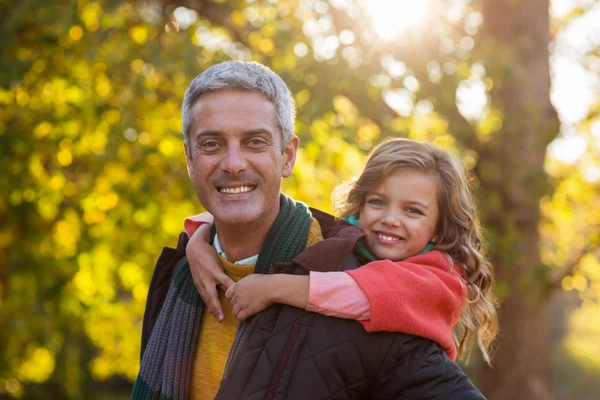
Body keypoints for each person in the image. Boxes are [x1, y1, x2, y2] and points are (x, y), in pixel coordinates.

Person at [133, 60, 486, 400]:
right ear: (190, 158)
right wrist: (197, 240)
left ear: (288, 156)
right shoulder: (180, 273)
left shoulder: (372, 293)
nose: (234, 163)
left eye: (255, 142)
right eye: (211, 144)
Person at [185, 138, 497, 364]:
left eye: (412, 211)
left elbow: (372, 292)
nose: (390, 219)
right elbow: (264, 211)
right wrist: (199, 239)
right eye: (377, 202)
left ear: (439, 227)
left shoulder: (441, 280)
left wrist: (274, 286)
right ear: (360, 205)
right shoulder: (345, 240)